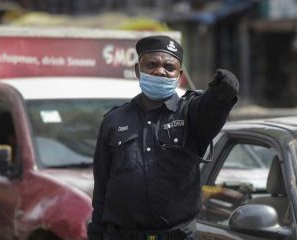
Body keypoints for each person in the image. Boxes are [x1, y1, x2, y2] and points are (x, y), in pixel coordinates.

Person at [87, 35, 239, 240]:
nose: (160, 71)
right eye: (152, 64)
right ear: (137, 70)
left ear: (179, 75)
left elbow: (212, 107)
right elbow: (102, 187)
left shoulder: (191, 114)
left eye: (169, 67)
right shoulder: (114, 120)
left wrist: (224, 91)